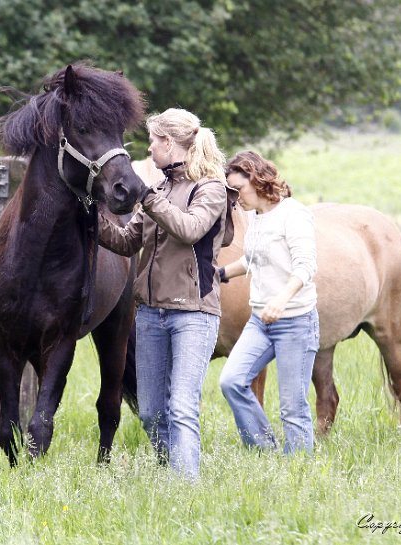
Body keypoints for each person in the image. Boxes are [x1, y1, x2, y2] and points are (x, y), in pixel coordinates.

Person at [98, 108, 231, 480]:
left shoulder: (211, 188)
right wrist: (92, 216)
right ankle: (174, 471)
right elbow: (126, 242)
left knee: (182, 408)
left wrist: (147, 197)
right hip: (150, 314)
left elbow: (190, 229)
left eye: (153, 141)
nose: (149, 149)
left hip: (194, 313)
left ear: (169, 143)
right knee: (151, 412)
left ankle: (184, 488)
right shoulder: (159, 190)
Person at [218, 150, 320, 455]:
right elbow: (252, 258)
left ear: (257, 180)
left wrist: (282, 299)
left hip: (295, 322)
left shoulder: (293, 214)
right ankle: (264, 451)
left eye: (239, 189)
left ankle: (297, 470)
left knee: (292, 407)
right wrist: (221, 273)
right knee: (232, 381)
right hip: (261, 321)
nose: (236, 198)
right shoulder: (254, 217)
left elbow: (306, 266)